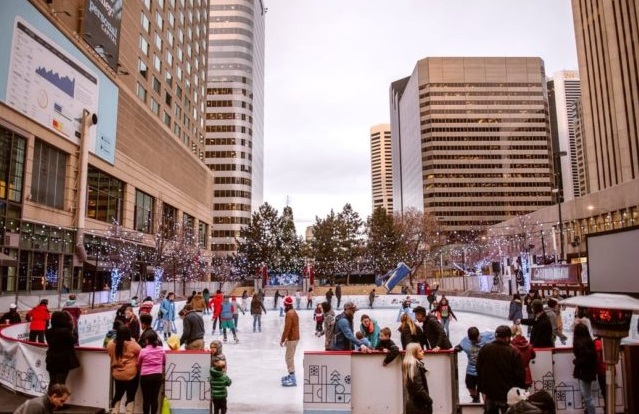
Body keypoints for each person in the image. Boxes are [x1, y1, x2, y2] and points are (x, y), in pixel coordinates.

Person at [476, 325, 525, 414]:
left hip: (490, 393)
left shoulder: (485, 348)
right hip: (507, 395)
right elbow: (519, 375)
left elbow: (478, 368)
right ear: (507, 337)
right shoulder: (513, 352)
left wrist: (481, 388)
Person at [454, 327, 494, 403]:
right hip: (471, 369)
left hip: (484, 369)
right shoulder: (466, 340)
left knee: (484, 388)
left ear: (479, 335)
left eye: (477, 339)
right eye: (473, 340)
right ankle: (476, 399)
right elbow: (460, 346)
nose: (475, 341)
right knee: (469, 385)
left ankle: (486, 404)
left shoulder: (488, 336)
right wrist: (457, 348)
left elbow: (499, 337)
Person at [107, 325, 141, 414]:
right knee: (130, 395)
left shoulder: (111, 344)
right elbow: (141, 352)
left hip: (117, 374)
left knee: (118, 394)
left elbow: (110, 353)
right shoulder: (132, 344)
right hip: (131, 374)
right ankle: (129, 412)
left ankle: (114, 411)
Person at [45, 311, 80, 391]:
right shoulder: (65, 331)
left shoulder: (48, 332)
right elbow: (74, 340)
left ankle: (50, 400)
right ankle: (57, 402)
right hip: (62, 361)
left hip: (51, 359)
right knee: (60, 384)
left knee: (52, 382)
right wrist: (74, 329)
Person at [137, 331, 165, 414]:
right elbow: (164, 362)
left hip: (145, 376)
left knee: (146, 399)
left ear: (147, 341)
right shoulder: (161, 350)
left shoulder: (143, 351)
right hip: (157, 376)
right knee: (154, 398)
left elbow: (139, 363)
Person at [402, 342, 433, 414]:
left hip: (413, 405)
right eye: (420, 351)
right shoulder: (415, 367)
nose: (423, 352)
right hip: (420, 406)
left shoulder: (410, 366)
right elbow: (419, 388)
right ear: (414, 353)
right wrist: (429, 400)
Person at [572, 323, 597, 414]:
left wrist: (576, 361)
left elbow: (583, 359)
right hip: (587, 372)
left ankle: (591, 412)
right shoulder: (589, 343)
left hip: (583, 372)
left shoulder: (581, 344)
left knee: (587, 396)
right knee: (586, 396)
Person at [280, 296, 300, 387]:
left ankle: (292, 378)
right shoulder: (293, 312)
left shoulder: (289, 314)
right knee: (289, 357)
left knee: (289, 358)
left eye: (284, 305)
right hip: (295, 337)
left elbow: (287, 328)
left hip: (292, 338)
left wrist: (282, 339)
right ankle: (291, 375)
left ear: (286, 305)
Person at [510, 324, 536, 390]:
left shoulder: (510, 346)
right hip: (526, 375)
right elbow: (533, 356)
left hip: (514, 375)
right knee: (524, 396)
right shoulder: (529, 346)